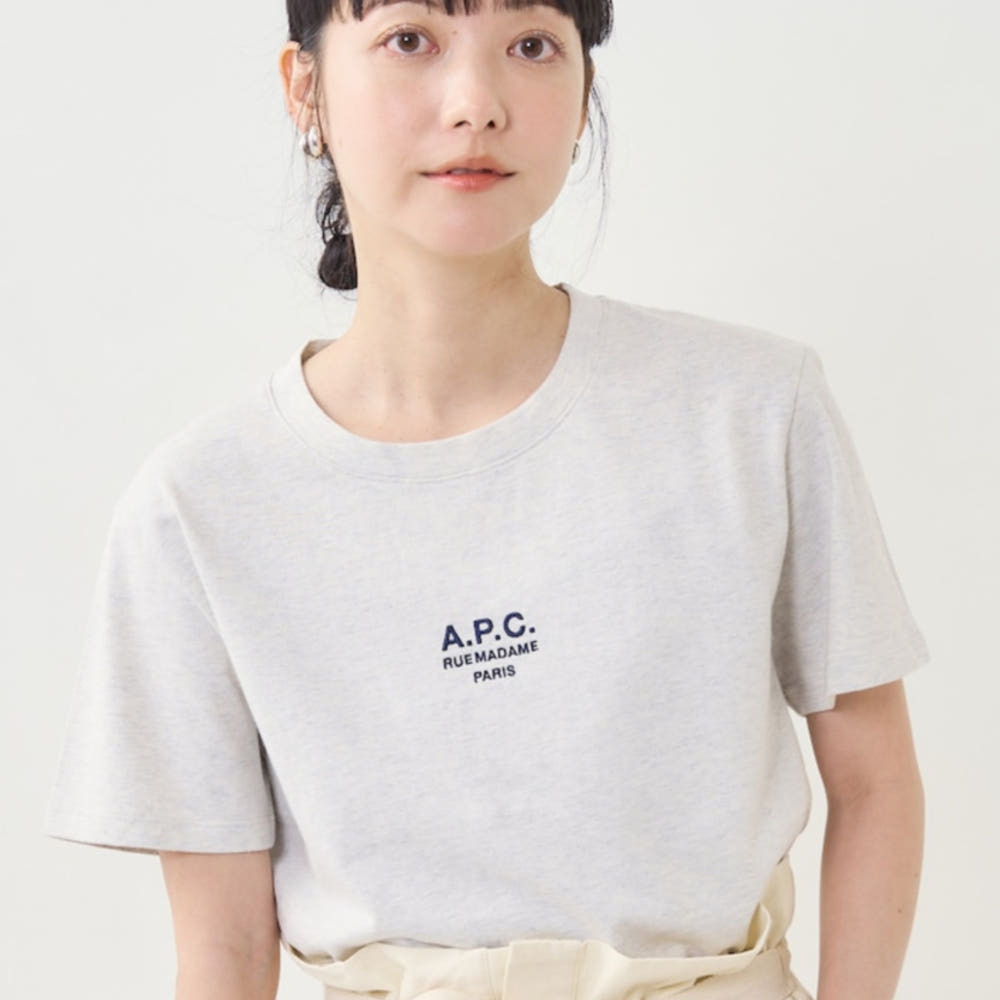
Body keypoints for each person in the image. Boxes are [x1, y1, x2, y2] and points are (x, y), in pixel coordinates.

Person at [46, 2, 929, 999]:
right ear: (306, 87)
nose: (476, 103)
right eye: (410, 39)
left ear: (584, 93)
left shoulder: (753, 408)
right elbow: (224, 949)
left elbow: (874, 784)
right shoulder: (200, 505)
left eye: (532, 44)